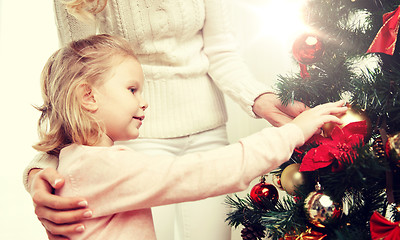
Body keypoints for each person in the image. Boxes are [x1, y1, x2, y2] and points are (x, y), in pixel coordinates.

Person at [24, 1, 310, 240]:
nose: (143, 97)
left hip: (207, 131)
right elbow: (73, 82)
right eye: (134, 89)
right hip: (132, 141)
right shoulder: (114, 158)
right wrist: (41, 172)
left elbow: (222, 53)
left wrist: (258, 98)